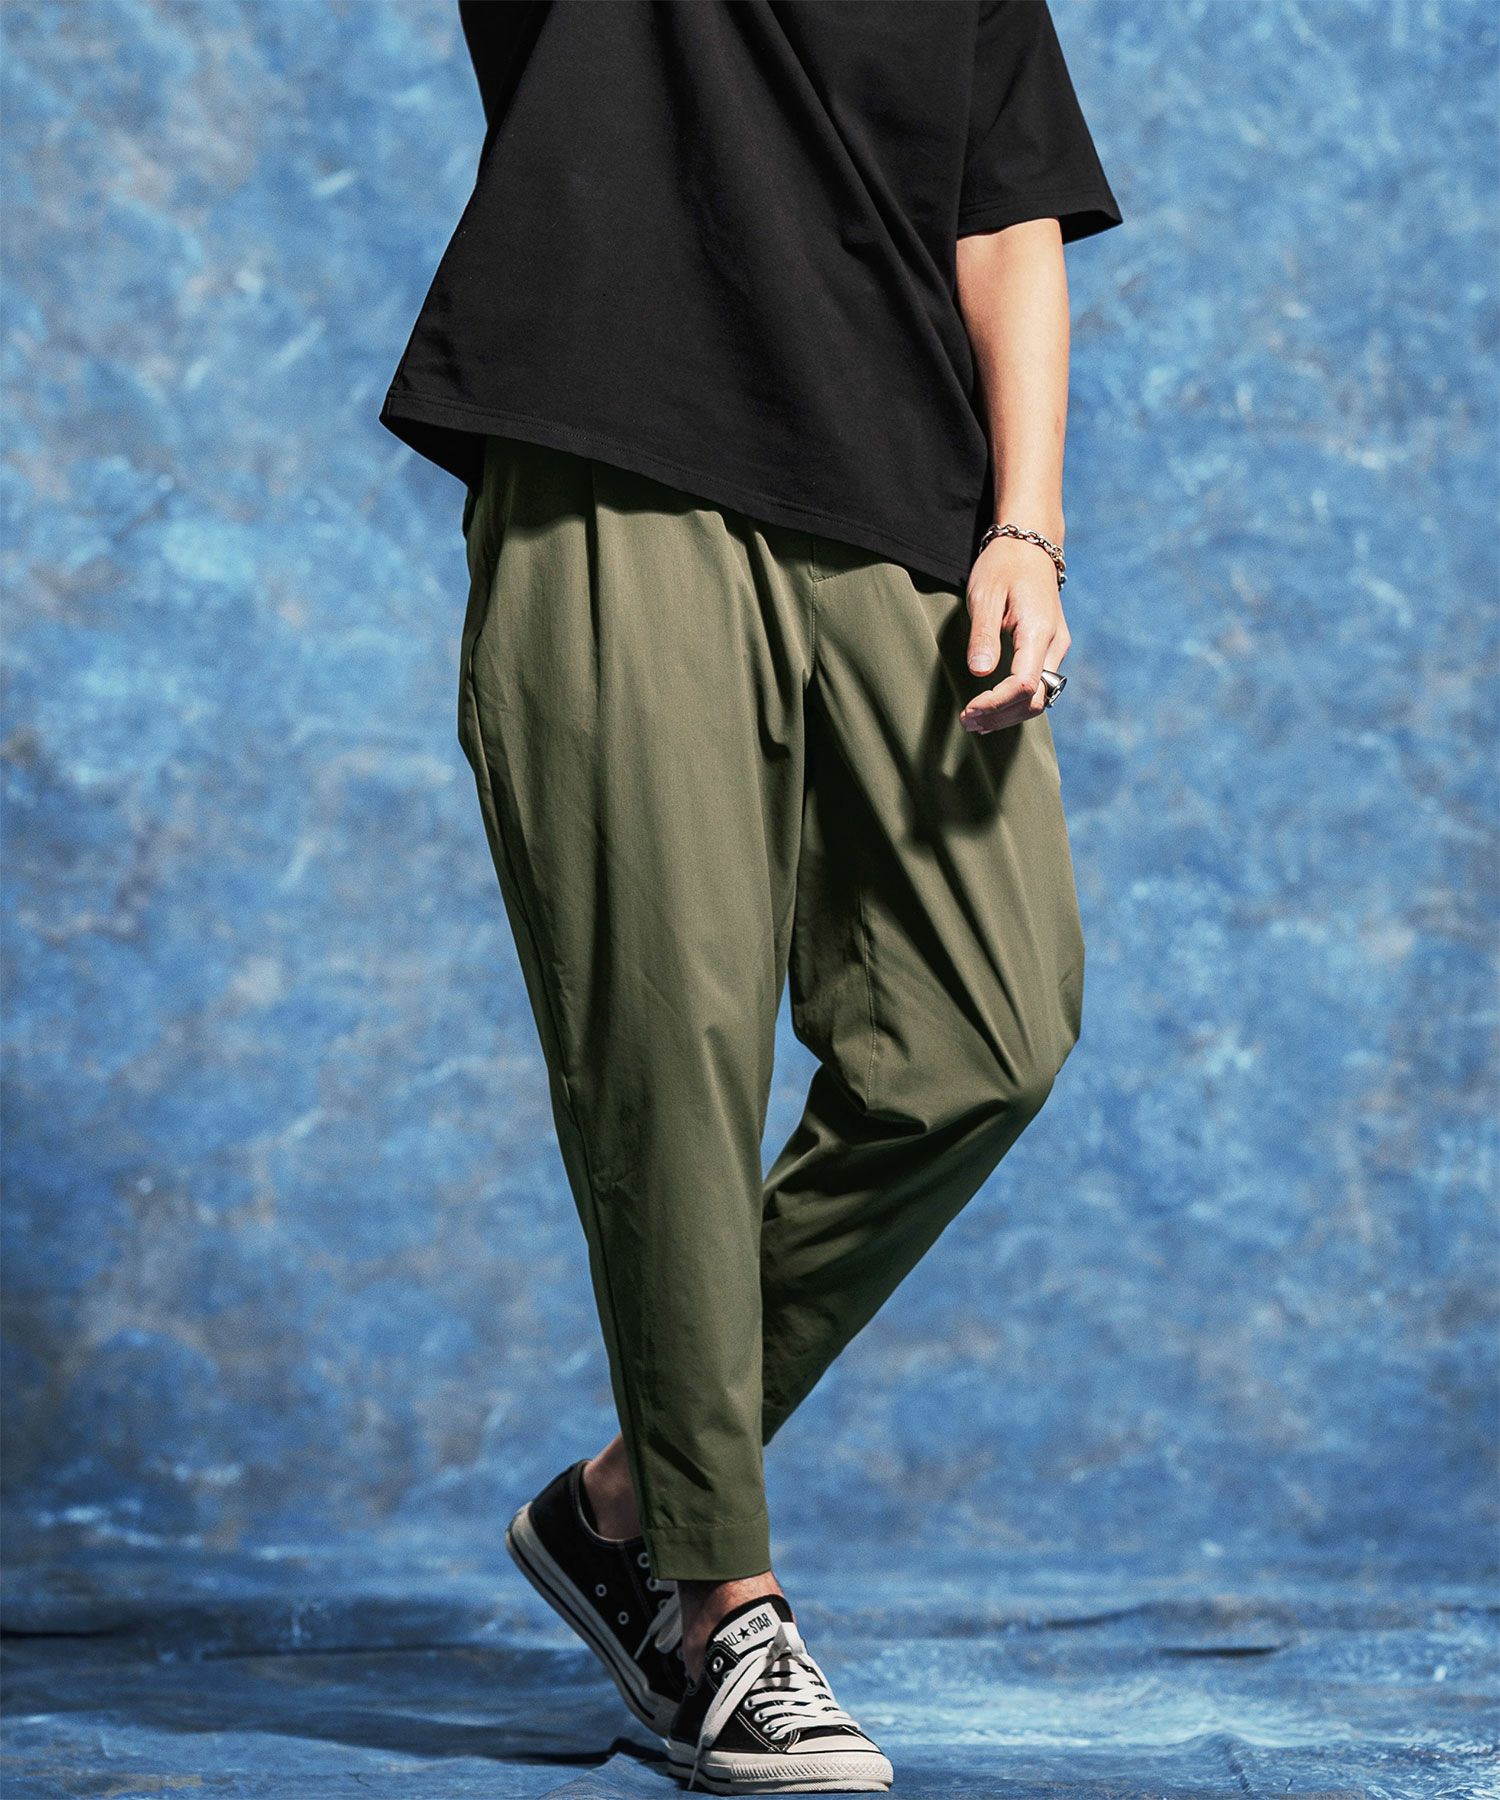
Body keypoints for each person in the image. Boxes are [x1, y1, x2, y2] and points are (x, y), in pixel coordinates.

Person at [381, 1, 1122, 1789]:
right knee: (674, 1051)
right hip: (614, 451)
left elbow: (1005, 209)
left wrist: (1026, 526)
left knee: (989, 1032)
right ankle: (721, 1606)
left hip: (900, 496)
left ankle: (623, 1503)